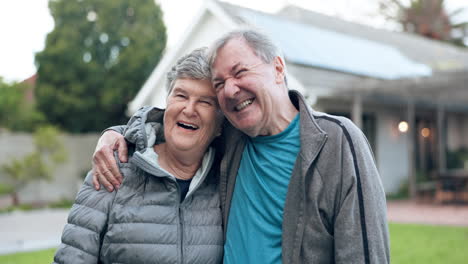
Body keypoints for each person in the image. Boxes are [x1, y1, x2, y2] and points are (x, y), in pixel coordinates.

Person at [93, 29, 390, 263]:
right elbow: (178, 126)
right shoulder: (231, 138)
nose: (231, 89)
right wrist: (115, 134)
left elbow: (365, 255)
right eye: (220, 83)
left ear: (277, 68)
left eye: (240, 72)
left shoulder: (336, 141)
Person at [53, 48, 225, 264]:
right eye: (181, 95)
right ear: (166, 104)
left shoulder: (227, 179)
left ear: (220, 123)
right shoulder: (113, 166)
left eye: (206, 102)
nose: (189, 109)